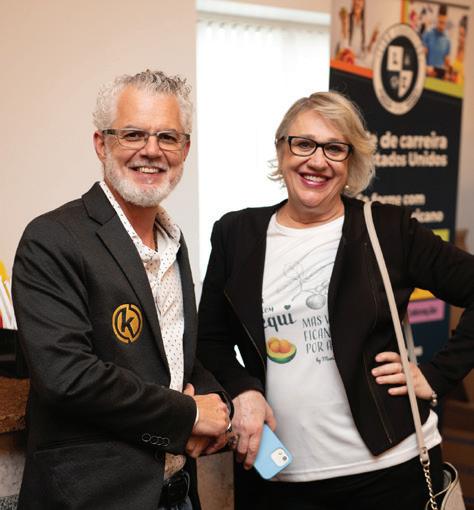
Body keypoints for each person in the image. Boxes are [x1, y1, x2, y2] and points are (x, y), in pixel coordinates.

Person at [197, 90, 474, 510]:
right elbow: (209, 341)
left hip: (390, 472)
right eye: (303, 144)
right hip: (277, 475)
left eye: (334, 148)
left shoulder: (387, 229)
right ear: (281, 150)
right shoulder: (236, 235)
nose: (317, 160)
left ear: (350, 161)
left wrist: (437, 376)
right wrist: (243, 390)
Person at [12, 70, 232, 510]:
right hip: (93, 498)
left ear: (185, 149)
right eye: (133, 134)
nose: (151, 150)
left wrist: (219, 406)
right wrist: (188, 416)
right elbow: (68, 378)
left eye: (167, 137)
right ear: (101, 144)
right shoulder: (52, 238)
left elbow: (177, 358)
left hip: (176, 493)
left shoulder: (173, 242)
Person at [422, 4, 451, 78]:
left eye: (444, 23)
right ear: (437, 18)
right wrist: (425, 67)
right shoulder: (428, 34)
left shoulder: (447, 40)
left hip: (439, 76)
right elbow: (422, 56)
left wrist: (448, 70)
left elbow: (446, 61)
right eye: (440, 22)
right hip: (427, 74)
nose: (442, 26)